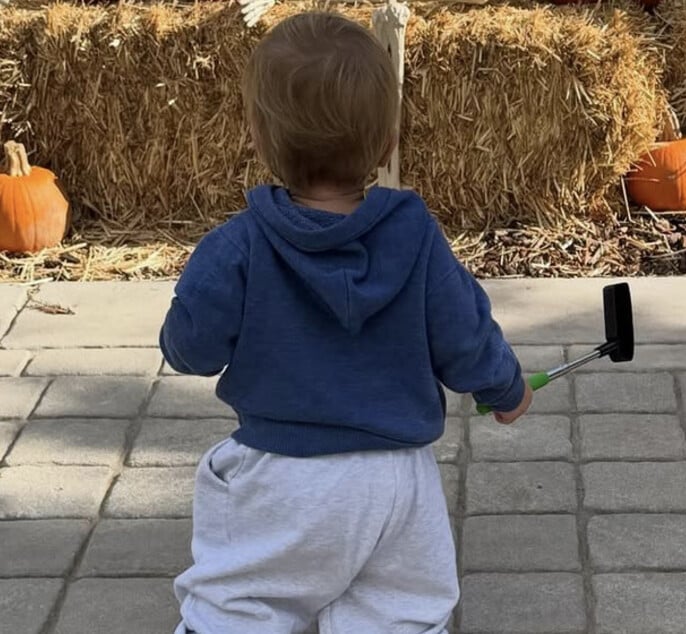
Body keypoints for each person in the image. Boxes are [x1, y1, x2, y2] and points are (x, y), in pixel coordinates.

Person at [159, 11, 532, 634]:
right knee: (398, 613)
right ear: (387, 144)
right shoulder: (416, 236)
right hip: (395, 483)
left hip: (279, 477)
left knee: (242, 604)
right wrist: (506, 388)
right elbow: (465, 336)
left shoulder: (237, 246)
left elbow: (191, 350)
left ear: (258, 137)